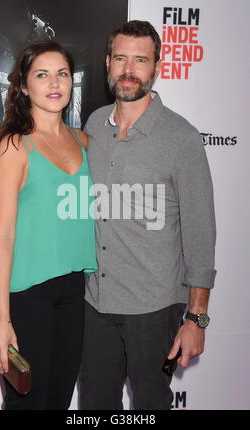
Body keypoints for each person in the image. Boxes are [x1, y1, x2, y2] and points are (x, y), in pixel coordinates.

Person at [78, 20, 216, 410]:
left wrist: (197, 319)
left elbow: (201, 234)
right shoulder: (94, 126)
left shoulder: (181, 138)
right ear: (107, 62)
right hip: (96, 304)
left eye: (140, 60)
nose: (128, 69)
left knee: (150, 407)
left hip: (154, 311)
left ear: (157, 66)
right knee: (94, 406)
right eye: (120, 58)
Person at [0, 40, 97, 410]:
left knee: (59, 401)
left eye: (62, 74)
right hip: (26, 297)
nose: (54, 83)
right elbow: (1, 238)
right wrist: (0, 318)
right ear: (23, 86)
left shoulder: (83, 142)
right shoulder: (13, 147)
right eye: (42, 74)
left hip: (74, 292)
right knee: (27, 404)